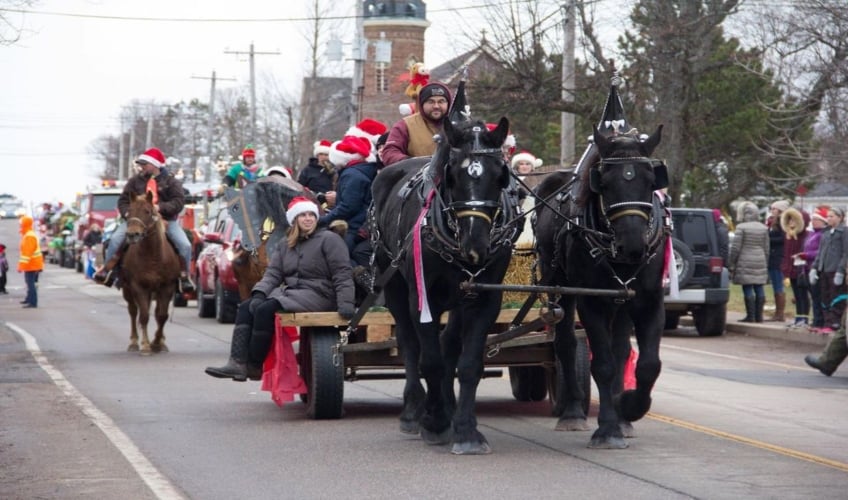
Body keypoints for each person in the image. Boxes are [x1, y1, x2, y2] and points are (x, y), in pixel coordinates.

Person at [205, 196, 355, 381]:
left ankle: (254, 365)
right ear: (294, 220)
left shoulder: (329, 239)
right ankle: (236, 363)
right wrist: (259, 293)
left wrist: (346, 303)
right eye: (303, 215)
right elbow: (274, 273)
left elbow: (342, 272)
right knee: (247, 306)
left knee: (265, 309)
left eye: (311, 215)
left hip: (320, 294)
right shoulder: (286, 244)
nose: (308, 219)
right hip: (293, 293)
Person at [94, 148, 195, 292]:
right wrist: (128, 213)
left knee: (185, 245)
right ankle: (110, 272)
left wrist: (160, 208)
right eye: (141, 164)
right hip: (137, 220)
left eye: (144, 164)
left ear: (154, 165)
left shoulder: (171, 182)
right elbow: (123, 200)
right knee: (116, 239)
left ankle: (184, 277)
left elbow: (178, 201)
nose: (141, 167)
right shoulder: (135, 181)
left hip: (166, 221)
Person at [320, 135, 379, 253]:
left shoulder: (351, 175)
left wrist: (323, 220)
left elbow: (348, 207)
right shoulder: (360, 171)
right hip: (361, 225)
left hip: (352, 228)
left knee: (339, 257)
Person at [381, 81, 453, 166]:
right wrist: (412, 162)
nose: (436, 106)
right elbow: (389, 152)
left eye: (441, 101)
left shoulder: (459, 125)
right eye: (430, 102)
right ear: (421, 104)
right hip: (415, 175)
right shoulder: (405, 125)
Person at [808, 206, 848, 334]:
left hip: (835, 269)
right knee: (825, 296)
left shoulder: (844, 232)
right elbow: (821, 252)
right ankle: (826, 322)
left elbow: (845, 253)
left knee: (836, 296)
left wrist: (841, 270)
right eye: (828, 216)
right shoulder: (825, 233)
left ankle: (835, 322)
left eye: (832, 216)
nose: (829, 219)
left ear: (840, 218)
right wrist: (815, 267)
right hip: (823, 269)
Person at [729, 201, 769, 323]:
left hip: (744, 259)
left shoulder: (741, 228)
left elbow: (736, 248)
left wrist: (731, 262)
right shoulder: (764, 228)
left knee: (747, 287)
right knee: (759, 286)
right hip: (760, 258)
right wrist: (765, 261)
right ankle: (759, 316)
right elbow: (766, 247)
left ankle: (750, 316)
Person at [796, 206, 828, 330]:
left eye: (816, 219)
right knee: (813, 296)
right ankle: (816, 319)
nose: (813, 221)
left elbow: (820, 252)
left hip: (818, 268)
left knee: (818, 296)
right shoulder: (811, 234)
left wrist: (806, 255)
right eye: (813, 219)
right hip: (807, 267)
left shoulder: (822, 234)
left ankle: (820, 320)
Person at [780, 207, 811, 328]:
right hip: (791, 270)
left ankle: (805, 318)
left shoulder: (806, 235)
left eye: (794, 220)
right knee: (797, 296)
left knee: (803, 295)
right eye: (789, 220)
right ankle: (798, 318)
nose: (791, 223)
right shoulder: (788, 236)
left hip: (801, 270)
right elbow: (786, 255)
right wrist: (785, 270)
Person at [766, 200, 790, 322]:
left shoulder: (783, 222)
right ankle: (778, 312)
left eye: (774, 208)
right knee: (775, 284)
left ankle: (780, 313)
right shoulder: (773, 222)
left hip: (778, 257)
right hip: (773, 256)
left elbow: (783, 239)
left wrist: (767, 238)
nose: (772, 210)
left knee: (778, 284)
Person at [297, 139, 336, 207]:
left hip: (332, 205)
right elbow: (300, 187)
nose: (323, 157)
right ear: (317, 155)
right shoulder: (307, 170)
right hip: (311, 204)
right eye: (321, 154)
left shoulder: (335, 170)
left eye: (326, 155)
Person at [17, 215, 44, 308]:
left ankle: (32, 302)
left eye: (21, 224)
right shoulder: (28, 234)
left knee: (30, 283)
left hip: (32, 264)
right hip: (33, 264)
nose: (20, 226)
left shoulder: (28, 236)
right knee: (29, 282)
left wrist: (21, 266)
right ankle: (29, 299)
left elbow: (27, 253)